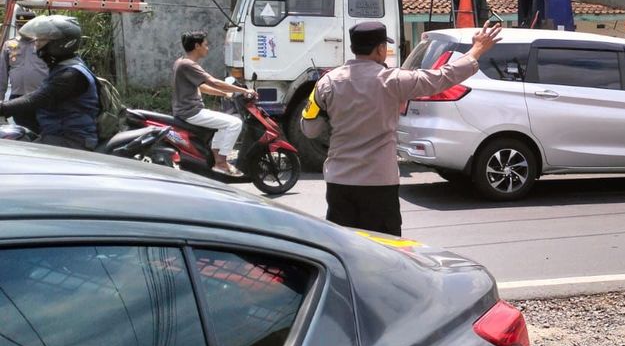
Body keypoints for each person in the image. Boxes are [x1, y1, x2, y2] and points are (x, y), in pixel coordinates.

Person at [301, 20, 502, 236]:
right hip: (379, 183)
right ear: (380, 49)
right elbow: (442, 77)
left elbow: (309, 129)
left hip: (339, 182)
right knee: (384, 248)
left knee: (344, 247)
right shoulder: (393, 80)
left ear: (353, 48)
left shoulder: (327, 83)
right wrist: (476, 49)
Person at [0, 14, 99, 149]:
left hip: (71, 140)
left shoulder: (70, 75)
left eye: (41, 40)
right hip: (55, 135)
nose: (36, 45)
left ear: (59, 44)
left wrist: (3, 108)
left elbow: (35, 99)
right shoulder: (65, 67)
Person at [172, 30, 256, 176]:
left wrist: (225, 94)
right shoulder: (188, 65)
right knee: (235, 123)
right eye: (205, 45)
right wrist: (244, 90)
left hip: (187, 110)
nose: (207, 48)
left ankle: (217, 158)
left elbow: (202, 87)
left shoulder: (181, 62)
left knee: (223, 124)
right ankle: (221, 163)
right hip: (191, 112)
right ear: (197, 46)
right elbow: (214, 82)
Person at [0, 9, 49, 131]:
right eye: (19, 26)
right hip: (18, 98)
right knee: (22, 131)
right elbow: (2, 75)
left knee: (42, 129)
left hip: (40, 96)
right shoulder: (9, 45)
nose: (22, 29)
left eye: (26, 26)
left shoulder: (43, 44)